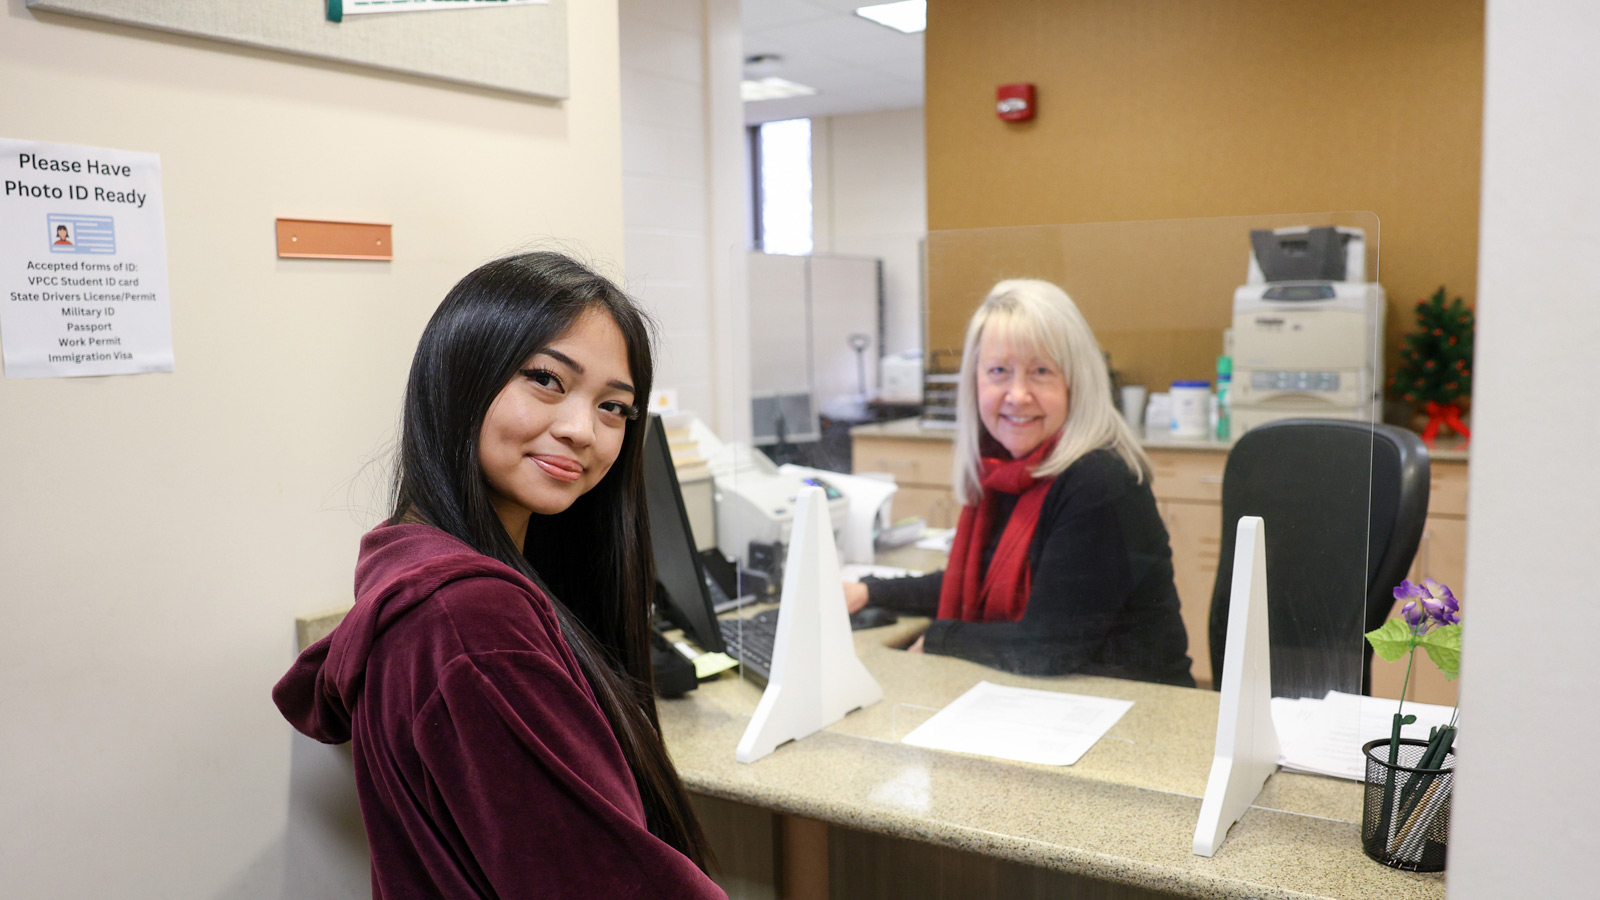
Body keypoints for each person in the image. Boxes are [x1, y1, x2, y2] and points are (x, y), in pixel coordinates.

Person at [273, 252, 726, 899]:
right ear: (462, 374)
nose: (581, 430)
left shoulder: (412, 565)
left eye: (613, 408)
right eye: (546, 379)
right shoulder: (472, 625)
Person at [846, 279, 1194, 686]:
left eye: (1040, 371)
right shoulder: (1007, 471)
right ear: (975, 381)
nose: (1017, 394)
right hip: (1055, 703)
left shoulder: (1098, 481)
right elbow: (975, 578)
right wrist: (870, 592)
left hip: (1137, 715)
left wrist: (942, 637)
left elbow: (1049, 645)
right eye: (999, 371)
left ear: (1074, 382)